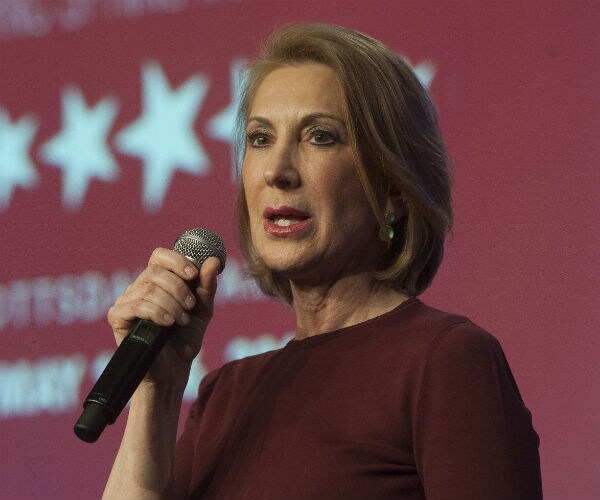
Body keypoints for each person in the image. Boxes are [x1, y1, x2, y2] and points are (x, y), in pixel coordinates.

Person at [102, 23, 542, 500]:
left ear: (393, 188)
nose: (277, 171)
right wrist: (157, 392)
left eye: (320, 137)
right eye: (260, 139)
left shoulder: (445, 361)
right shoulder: (225, 395)